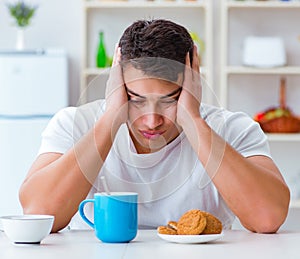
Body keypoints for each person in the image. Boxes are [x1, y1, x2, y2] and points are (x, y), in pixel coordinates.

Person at [19, 19, 290, 233]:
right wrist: (112, 117)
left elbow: (267, 219)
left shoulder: (233, 129)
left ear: (193, 84)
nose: (151, 121)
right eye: (136, 100)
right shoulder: (75, 124)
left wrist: (194, 122)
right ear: (118, 85)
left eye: (169, 100)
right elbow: (38, 213)